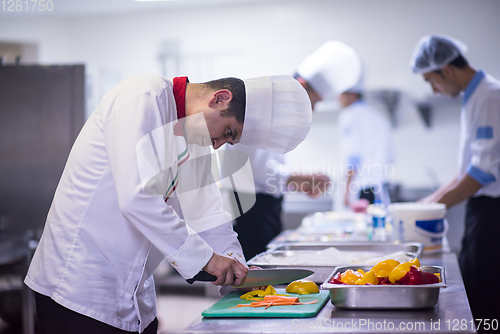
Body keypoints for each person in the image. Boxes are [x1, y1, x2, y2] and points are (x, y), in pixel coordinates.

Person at [24, 73, 312, 333]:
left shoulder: (195, 138)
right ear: (220, 98)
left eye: (229, 141)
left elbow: (208, 213)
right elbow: (136, 197)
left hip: (133, 292)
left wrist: (235, 261)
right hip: (77, 287)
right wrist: (209, 260)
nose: (218, 144)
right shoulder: (142, 97)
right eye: (228, 132)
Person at [410, 34, 500, 327]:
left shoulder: (489, 95)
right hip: (482, 210)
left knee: (486, 297)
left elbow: (482, 173)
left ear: (446, 70)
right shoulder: (475, 95)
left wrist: (429, 209)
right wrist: (426, 203)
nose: (434, 90)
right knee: (476, 285)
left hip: (492, 213)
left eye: (430, 81)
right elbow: (466, 170)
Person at [295, 41, 393, 208]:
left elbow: (352, 158)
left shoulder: (350, 115)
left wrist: (346, 192)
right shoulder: (378, 117)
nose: (337, 100)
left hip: (360, 190)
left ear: (350, 94)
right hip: (378, 188)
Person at [222, 144, 329, 261]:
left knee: (269, 259)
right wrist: (299, 179)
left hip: (265, 202)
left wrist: (298, 183)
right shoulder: (251, 128)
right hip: (251, 205)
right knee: (257, 261)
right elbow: (257, 170)